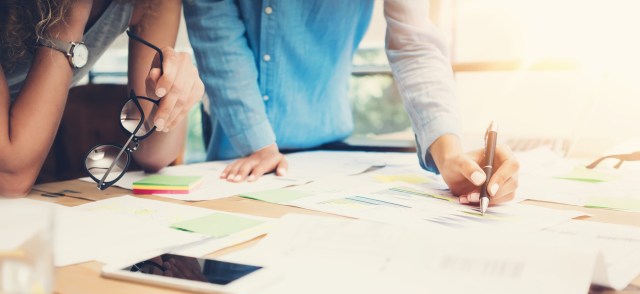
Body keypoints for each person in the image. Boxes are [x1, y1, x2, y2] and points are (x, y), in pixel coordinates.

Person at [184, 0, 519, 206]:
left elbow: (414, 43)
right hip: (241, 155)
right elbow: (216, 33)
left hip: (328, 154)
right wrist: (257, 141)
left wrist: (449, 156)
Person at [0, 0, 204, 197]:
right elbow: (10, 179)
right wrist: (69, 16)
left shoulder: (153, 3)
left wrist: (170, 95)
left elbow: (151, 153)